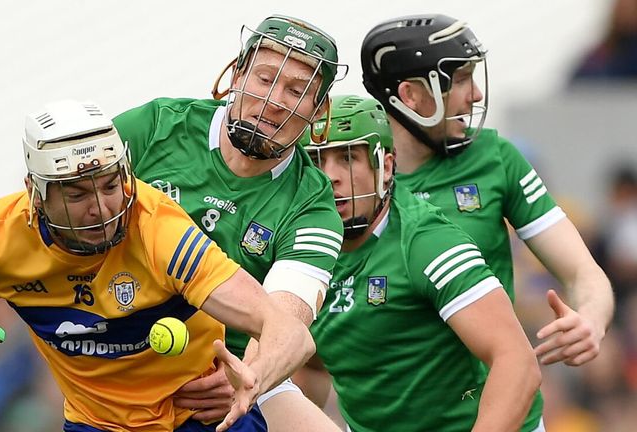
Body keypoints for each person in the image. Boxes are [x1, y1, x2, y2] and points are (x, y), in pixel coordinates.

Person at [0, 99, 316, 432]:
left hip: (202, 421)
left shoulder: (159, 232)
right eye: (77, 195)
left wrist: (253, 377)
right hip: (96, 425)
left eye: (111, 185)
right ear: (36, 194)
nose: (101, 209)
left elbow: (290, 333)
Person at [360, 13, 614, 430]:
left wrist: (591, 319)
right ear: (410, 94)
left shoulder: (496, 158)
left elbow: (584, 272)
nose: (475, 94)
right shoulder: (349, 183)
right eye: (460, 80)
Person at [111, 14, 347, 432]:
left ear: (319, 111)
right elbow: (62, 200)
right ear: (236, 76)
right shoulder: (154, 127)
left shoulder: (313, 205)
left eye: (297, 91)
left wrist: (248, 376)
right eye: (265, 78)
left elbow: (285, 318)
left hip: (234, 365)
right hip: (123, 344)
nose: (274, 100)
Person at [294, 94, 541, 431]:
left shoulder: (426, 242)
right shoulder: (302, 250)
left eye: (348, 157)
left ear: (385, 168)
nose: (330, 177)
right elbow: (311, 368)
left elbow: (518, 363)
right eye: (315, 160)